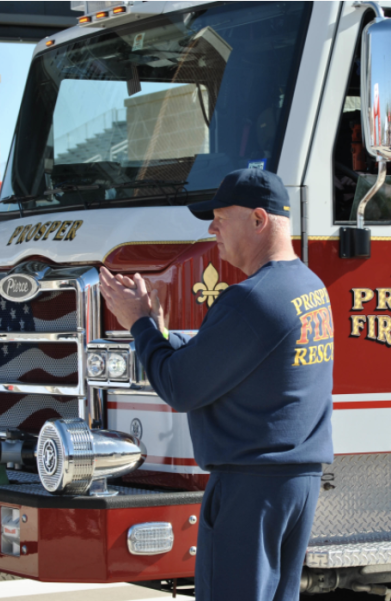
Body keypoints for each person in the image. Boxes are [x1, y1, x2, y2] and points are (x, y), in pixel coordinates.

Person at [98, 169, 334, 601]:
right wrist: (165, 335)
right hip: (295, 483)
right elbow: (237, 359)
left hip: (250, 489)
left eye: (221, 217)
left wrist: (140, 326)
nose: (212, 228)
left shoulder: (253, 298)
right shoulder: (308, 286)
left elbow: (180, 385)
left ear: (259, 220)